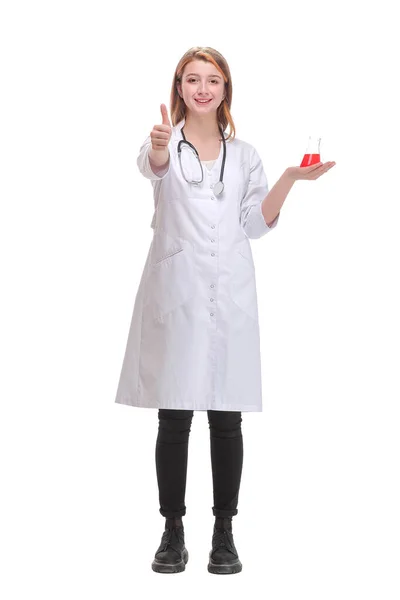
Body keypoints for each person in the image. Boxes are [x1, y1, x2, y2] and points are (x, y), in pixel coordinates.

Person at [114, 46, 336, 575]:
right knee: (173, 416)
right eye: (192, 79)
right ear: (179, 89)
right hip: (177, 295)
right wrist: (161, 145)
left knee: (226, 418)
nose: (202, 88)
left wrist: (288, 179)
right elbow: (154, 167)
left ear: (225, 89)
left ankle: (224, 533)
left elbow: (255, 224)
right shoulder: (163, 144)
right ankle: (172, 531)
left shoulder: (246, 157)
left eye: (212, 79)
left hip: (229, 295)